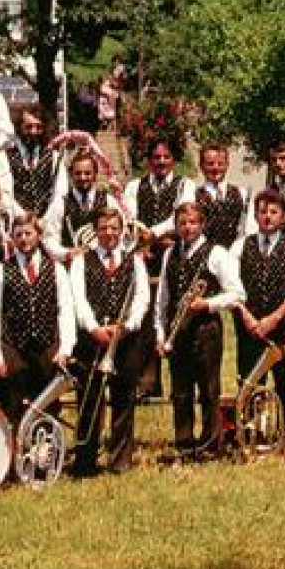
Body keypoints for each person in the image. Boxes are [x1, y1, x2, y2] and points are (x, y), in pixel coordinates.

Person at [153, 203, 244, 455]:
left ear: (202, 224)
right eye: (182, 223)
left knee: (208, 389)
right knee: (180, 392)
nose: (187, 227)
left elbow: (237, 294)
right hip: (177, 331)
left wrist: (207, 304)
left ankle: (210, 445)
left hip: (206, 329)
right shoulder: (170, 254)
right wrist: (160, 333)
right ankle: (183, 444)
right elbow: (162, 298)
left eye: (192, 222)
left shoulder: (217, 253)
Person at [69, 205, 148, 475]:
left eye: (114, 227)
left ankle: (120, 461)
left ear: (122, 230)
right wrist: (93, 328)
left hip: (125, 340)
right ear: (95, 231)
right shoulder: (81, 260)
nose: (109, 233)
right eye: (103, 228)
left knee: (124, 399)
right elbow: (78, 299)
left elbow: (141, 299)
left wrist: (125, 327)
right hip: (91, 341)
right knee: (89, 399)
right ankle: (85, 460)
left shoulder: (134, 260)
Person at [229, 189, 285, 442]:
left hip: (284, 325)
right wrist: (247, 317)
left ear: (284, 217)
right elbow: (231, 285)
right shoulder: (240, 245)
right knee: (250, 381)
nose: (267, 217)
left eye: (273, 212)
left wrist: (274, 318)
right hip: (250, 326)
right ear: (255, 215)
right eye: (262, 211)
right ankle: (253, 435)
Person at [0, 213, 75, 423]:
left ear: (39, 236)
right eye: (18, 235)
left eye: (28, 234)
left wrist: (65, 349)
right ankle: (16, 452)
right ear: (12, 239)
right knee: (15, 406)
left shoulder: (57, 269)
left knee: (48, 407)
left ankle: (45, 453)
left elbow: (66, 310)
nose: (24, 239)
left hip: (47, 346)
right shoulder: (0, 270)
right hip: (14, 347)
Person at [126, 140, 197, 400]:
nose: (161, 162)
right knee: (145, 320)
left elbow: (180, 218)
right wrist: (145, 239)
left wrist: (151, 235)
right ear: (148, 160)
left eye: (166, 157)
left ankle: (182, 386)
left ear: (173, 161)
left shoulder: (186, 185)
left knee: (174, 319)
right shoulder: (134, 186)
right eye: (156, 157)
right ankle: (148, 382)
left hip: (176, 258)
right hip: (143, 261)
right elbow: (131, 217)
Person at [45, 150, 121, 263]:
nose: (83, 177)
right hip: (71, 267)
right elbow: (49, 238)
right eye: (78, 173)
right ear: (71, 174)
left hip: (103, 267)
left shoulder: (109, 201)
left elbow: (121, 233)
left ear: (95, 174)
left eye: (87, 173)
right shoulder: (60, 203)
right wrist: (66, 253)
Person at [0, 102, 67, 221]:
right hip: (15, 224)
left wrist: (44, 220)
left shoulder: (55, 158)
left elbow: (60, 193)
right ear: (19, 127)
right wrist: (23, 217)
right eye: (29, 127)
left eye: (39, 127)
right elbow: (4, 192)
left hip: (46, 225)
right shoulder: (3, 157)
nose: (34, 132)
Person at [195, 142, 250, 249]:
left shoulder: (242, 194)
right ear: (201, 166)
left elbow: (249, 229)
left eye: (220, 163)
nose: (216, 168)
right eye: (210, 164)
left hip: (233, 255)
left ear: (227, 165)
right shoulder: (193, 195)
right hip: (203, 255)